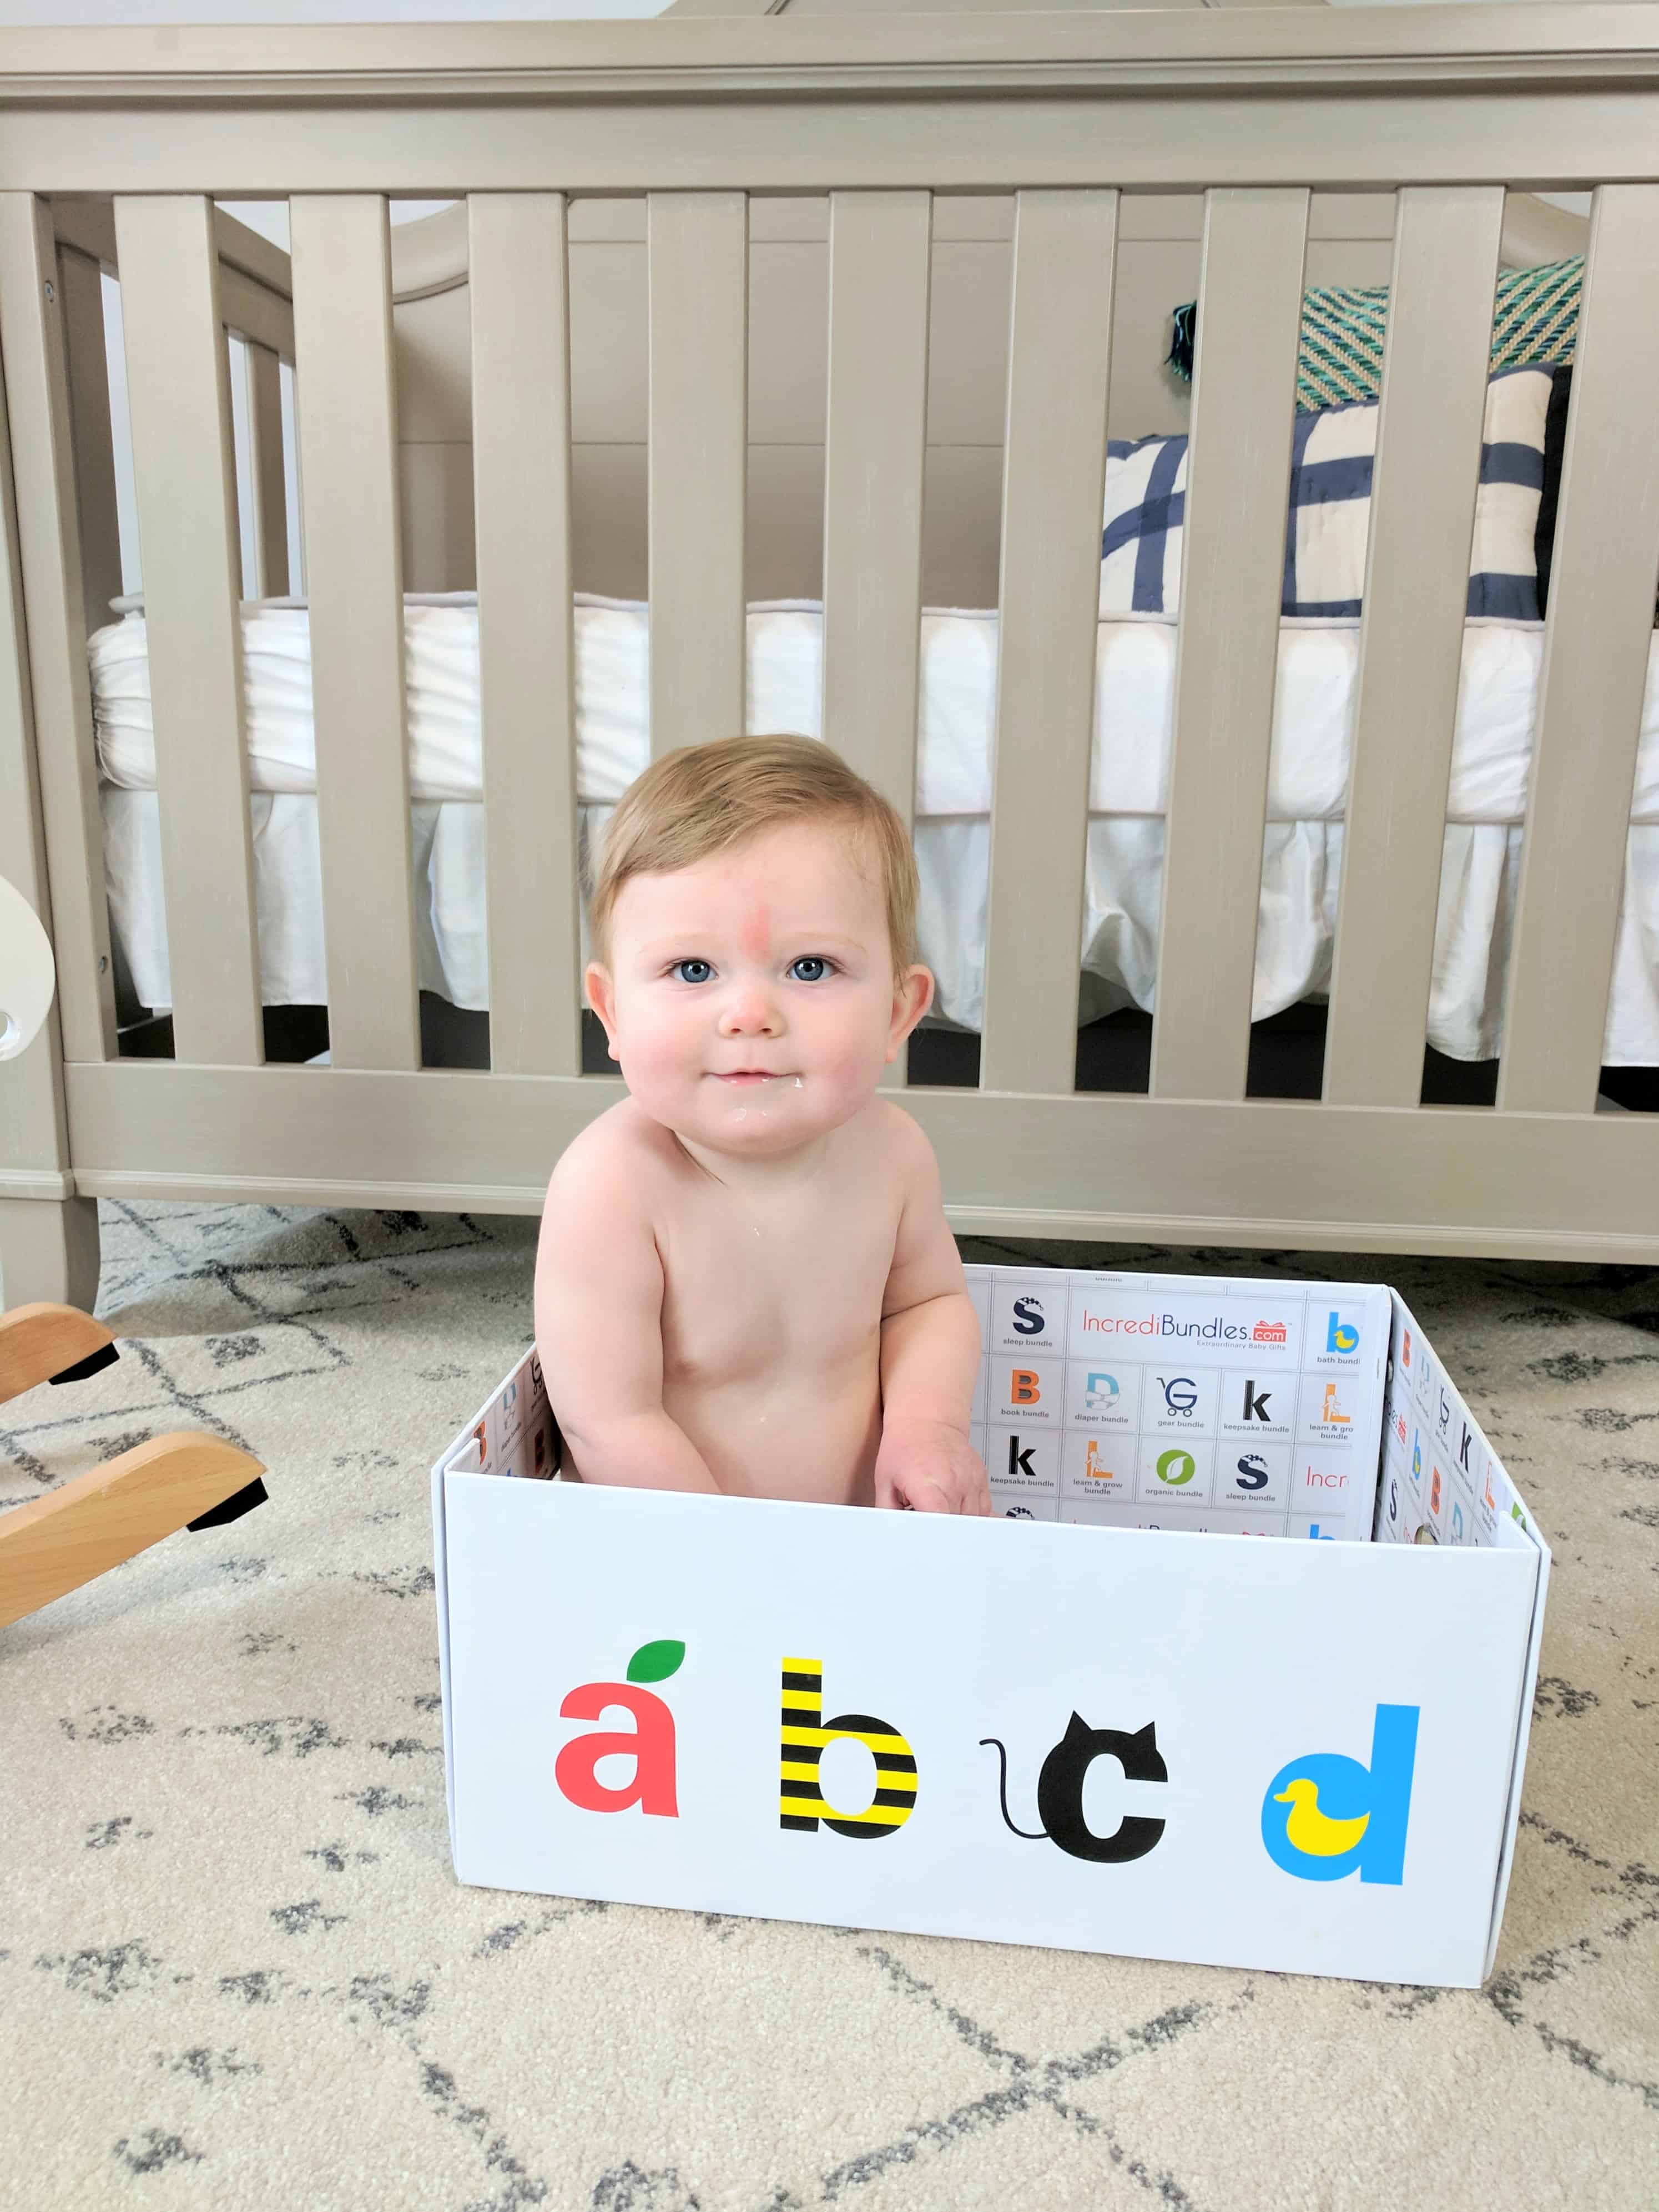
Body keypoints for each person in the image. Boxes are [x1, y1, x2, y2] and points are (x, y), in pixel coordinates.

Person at [534, 732, 990, 1515]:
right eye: (692, 970)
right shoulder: (611, 1183)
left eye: (809, 967)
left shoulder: (892, 1153)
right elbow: (607, 1418)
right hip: (680, 1551)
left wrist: (927, 1427)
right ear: (611, 1010)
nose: (749, 1014)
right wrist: (737, 1561)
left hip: (862, 1539)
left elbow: (927, 1304)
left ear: (897, 1012)